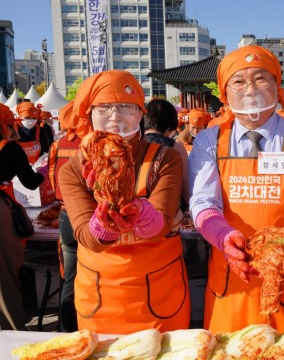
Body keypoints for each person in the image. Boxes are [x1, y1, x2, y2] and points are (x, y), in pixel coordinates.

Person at [188, 45, 284, 333]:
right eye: (239, 81)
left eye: (260, 78)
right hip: (233, 277)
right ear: (224, 92)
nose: (250, 88)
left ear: (277, 85)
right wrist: (224, 237)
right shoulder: (209, 141)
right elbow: (203, 202)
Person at [58, 70, 190, 334]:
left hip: (160, 290)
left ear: (140, 114)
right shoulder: (73, 170)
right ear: (90, 114)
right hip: (100, 293)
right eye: (104, 108)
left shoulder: (165, 159)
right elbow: (86, 235)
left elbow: (161, 223)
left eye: (126, 107)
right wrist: (104, 221)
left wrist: (142, 213)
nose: (115, 116)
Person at [0, 103, 45, 330]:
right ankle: (11, 333)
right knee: (5, 278)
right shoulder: (10, 149)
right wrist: (43, 175)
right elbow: (30, 181)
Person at [47, 101, 87, 332]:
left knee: (69, 279)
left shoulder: (57, 144)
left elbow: (52, 179)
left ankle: (66, 330)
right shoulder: (95, 141)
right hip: (89, 214)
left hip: (65, 213)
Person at [144, 98, 189, 211]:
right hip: (166, 208)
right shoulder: (175, 147)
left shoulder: (134, 143)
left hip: (137, 208)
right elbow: (185, 182)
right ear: (169, 126)